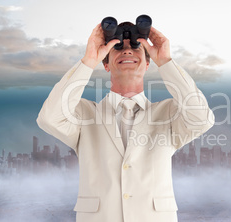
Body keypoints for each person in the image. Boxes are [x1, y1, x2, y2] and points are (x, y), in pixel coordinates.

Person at [36, 20, 214, 222]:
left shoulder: (168, 114)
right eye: (118, 47)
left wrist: (165, 61)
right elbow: (49, 118)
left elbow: (201, 119)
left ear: (148, 64)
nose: (127, 51)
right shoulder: (84, 115)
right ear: (105, 63)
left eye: (136, 47)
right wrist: (88, 60)